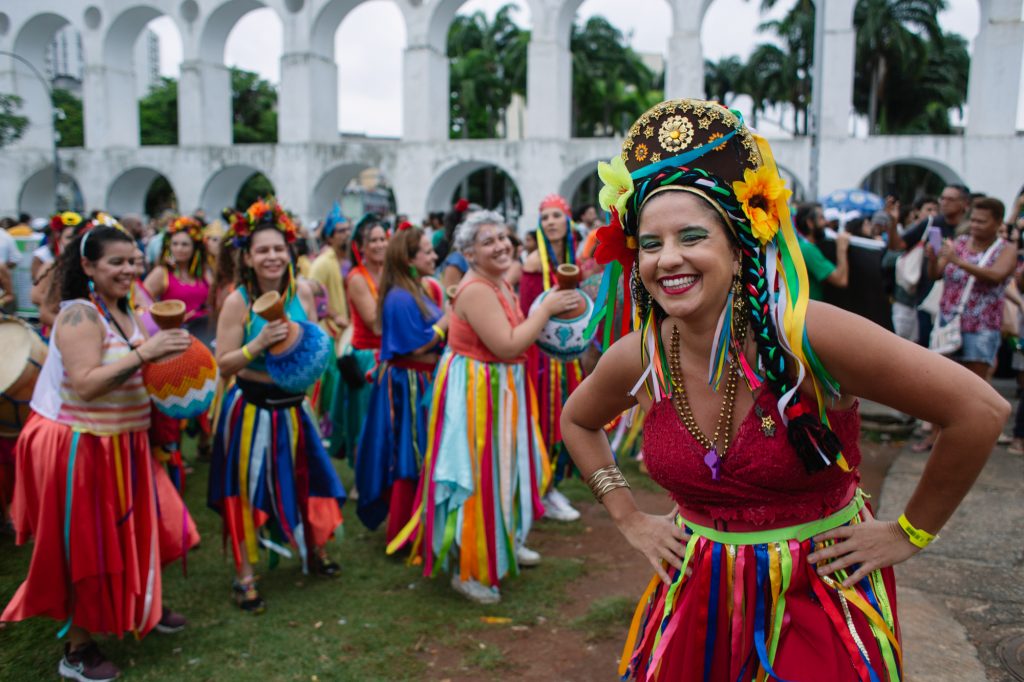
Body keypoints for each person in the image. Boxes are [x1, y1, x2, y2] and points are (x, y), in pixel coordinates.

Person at [560, 99, 1008, 681]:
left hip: (819, 602)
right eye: (650, 243)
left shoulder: (808, 334)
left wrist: (908, 533)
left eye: (691, 236)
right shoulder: (642, 354)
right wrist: (628, 517)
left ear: (738, 244)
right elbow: (577, 420)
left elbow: (978, 409)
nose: (668, 258)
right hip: (696, 602)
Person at [1, 225, 199, 681]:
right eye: (116, 262)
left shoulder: (125, 306)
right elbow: (87, 383)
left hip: (123, 441)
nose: (128, 269)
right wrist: (145, 354)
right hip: (79, 444)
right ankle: (78, 647)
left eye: (133, 261)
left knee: (132, 532)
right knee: (83, 548)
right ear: (88, 266)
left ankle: (139, 608)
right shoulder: (79, 315)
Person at [387, 210, 581, 604]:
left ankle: (504, 540)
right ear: (469, 254)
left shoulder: (495, 282)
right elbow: (508, 344)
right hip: (478, 394)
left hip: (499, 388)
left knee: (506, 470)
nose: (501, 245)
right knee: (479, 475)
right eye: (488, 241)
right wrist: (544, 310)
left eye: (503, 238)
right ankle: (469, 568)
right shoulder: (475, 289)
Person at [209, 199, 346, 613]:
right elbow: (224, 363)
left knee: (311, 480)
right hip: (252, 410)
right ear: (247, 258)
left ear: (289, 251)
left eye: (278, 248)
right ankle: (245, 575)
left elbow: (316, 348)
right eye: (262, 250)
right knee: (244, 492)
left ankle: (314, 548)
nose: (272, 256)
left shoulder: (302, 291)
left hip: (295, 410)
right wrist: (258, 344)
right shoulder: (237, 301)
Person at [355, 226, 446, 541]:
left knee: (419, 450)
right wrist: (447, 322)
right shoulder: (399, 297)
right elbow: (416, 347)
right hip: (409, 384)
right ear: (409, 258)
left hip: (418, 381)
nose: (434, 256)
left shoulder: (415, 289)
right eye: (427, 251)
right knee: (411, 452)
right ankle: (408, 527)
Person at [519, 194, 585, 522]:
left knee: (566, 415)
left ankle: (552, 484)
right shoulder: (533, 262)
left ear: (568, 220)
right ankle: (542, 490)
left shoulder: (573, 257)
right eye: (545, 218)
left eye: (556, 216)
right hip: (538, 355)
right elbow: (524, 312)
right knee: (544, 419)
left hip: (565, 353)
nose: (551, 223)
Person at [927, 197, 1017, 378]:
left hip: (981, 326)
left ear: (998, 222)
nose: (975, 225)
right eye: (973, 220)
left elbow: (996, 276)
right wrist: (932, 258)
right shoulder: (960, 242)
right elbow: (935, 274)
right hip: (949, 323)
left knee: (974, 381)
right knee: (942, 378)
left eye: (982, 221)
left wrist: (958, 261)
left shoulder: (1006, 249)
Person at [333, 213, 387, 460]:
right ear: (361, 247)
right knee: (364, 419)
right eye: (373, 241)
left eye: (382, 239)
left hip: (389, 354)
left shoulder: (390, 271)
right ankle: (361, 478)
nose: (379, 245)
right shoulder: (356, 277)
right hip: (367, 358)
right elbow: (375, 323)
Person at [793, 202, 851, 300]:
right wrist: (842, 248)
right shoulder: (808, 249)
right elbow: (841, 280)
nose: (826, 222)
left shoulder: (802, 245)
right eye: (821, 218)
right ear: (810, 223)